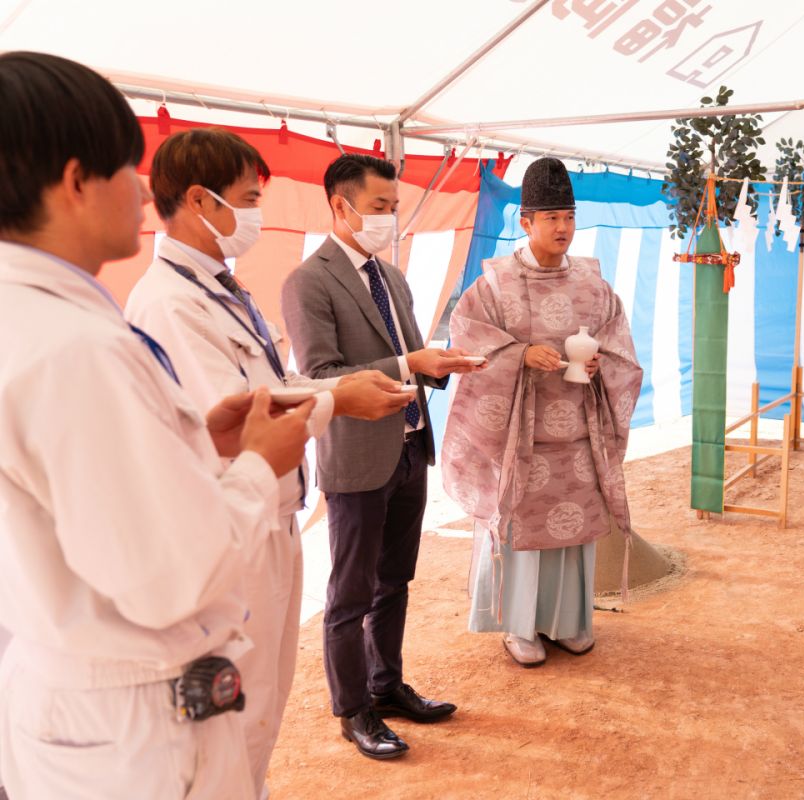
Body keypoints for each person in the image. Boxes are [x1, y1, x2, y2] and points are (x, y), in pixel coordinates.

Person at [0, 52, 313, 799]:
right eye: (125, 169)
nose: (144, 192)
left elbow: (73, 494)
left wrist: (198, 440)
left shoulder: (36, 320)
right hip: (137, 728)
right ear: (76, 182)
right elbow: (169, 575)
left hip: (83, 701)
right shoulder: (79, 348)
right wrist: (253, 468)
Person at [125, 128, 414, 794]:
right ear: (201, 202)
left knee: (264, 704)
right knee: (234, 718)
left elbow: (266, 387)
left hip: (273, 515)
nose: (256, 214)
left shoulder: (219, 288)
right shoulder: (170, 303)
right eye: (249, 199)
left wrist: (336, 394)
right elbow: (234, 420)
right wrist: (337, 396)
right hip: (232, 527)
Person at [281, 154, 479, 759]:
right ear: (340, 206)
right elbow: (320, 375)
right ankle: (353, 709)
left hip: (409, 446)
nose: (390, 219)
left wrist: (438, 364)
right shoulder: (307, 281)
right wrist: (407, 365)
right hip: (358, 456)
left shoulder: (392, 278)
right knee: (350, 593)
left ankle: (386, 685)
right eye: (379, 208)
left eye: (394, 208)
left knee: (395, 581)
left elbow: (414, 357)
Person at [441, 157, 643, 667]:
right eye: (551, 218)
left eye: (569, 217)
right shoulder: (495, 284)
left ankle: (568, 621)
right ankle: (519, 626)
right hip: (518, 436)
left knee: (573, 528)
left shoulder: (593, 284)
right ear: (526, 222)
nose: (563, 228)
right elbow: (465, 338)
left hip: (577, 430)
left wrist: (600, 362)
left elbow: (620, 346)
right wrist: (518, 354)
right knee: (522, 529)